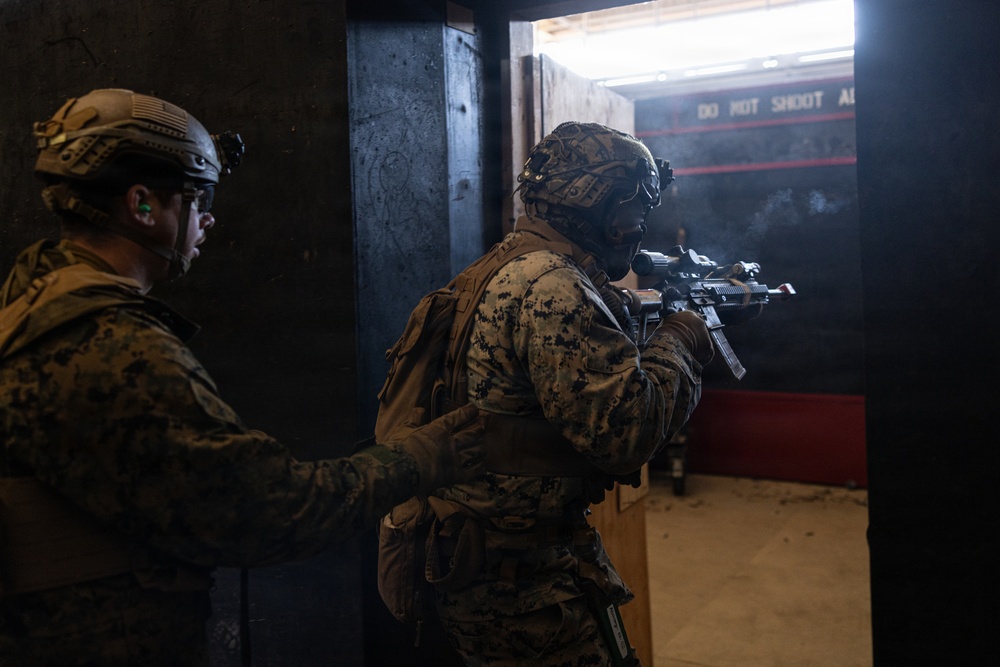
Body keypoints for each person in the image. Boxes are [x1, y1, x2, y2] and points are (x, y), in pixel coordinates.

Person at [0, 88, 486, 665]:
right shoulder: (113, 346)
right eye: (195, 197)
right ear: (142, 206)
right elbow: (271, 511)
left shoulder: (27, 305)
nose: (208, 219)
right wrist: (422, 457)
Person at [421, 122, 714, 666]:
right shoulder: (555, 286)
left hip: (485, 559)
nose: (634, 231)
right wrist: (682, 340)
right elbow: (627, 434)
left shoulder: (506, 265)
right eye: (630, 215)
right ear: (599, 210)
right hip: (523, 586)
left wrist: (633, 313)